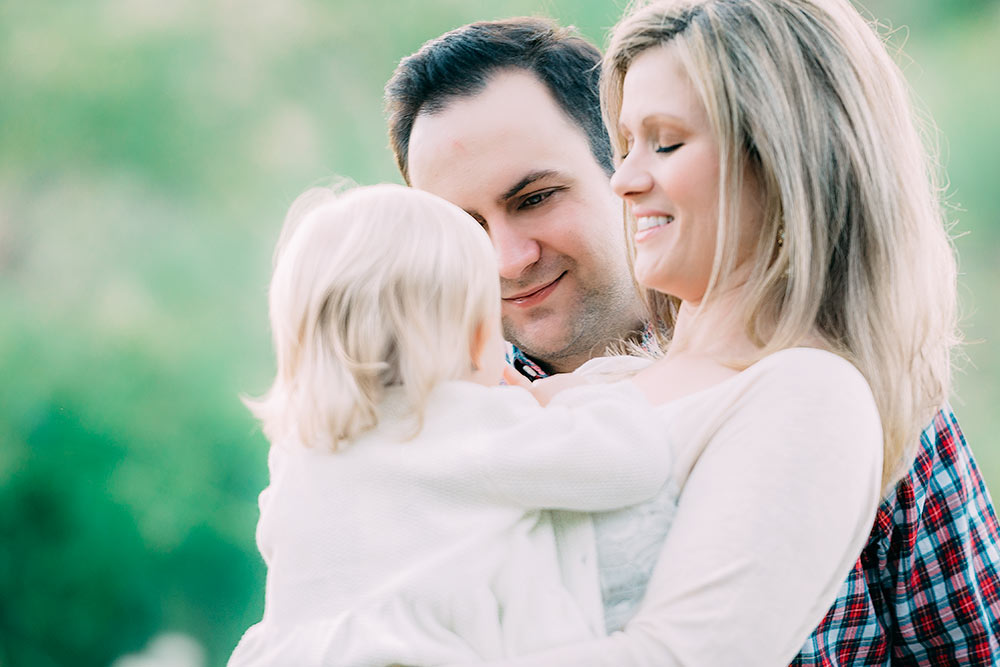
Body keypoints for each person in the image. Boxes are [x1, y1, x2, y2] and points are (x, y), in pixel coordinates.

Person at [384, 3, 1000, 664]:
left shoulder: (861, 389)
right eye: (462, 229)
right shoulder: (442, 426)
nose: (507, 259)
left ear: (610, 166)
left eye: (535, 197)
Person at [227, 184, 682, 665]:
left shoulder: (300, 454)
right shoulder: (464, 424)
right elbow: (633, 461)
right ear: (476, 335)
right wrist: (567, 399)